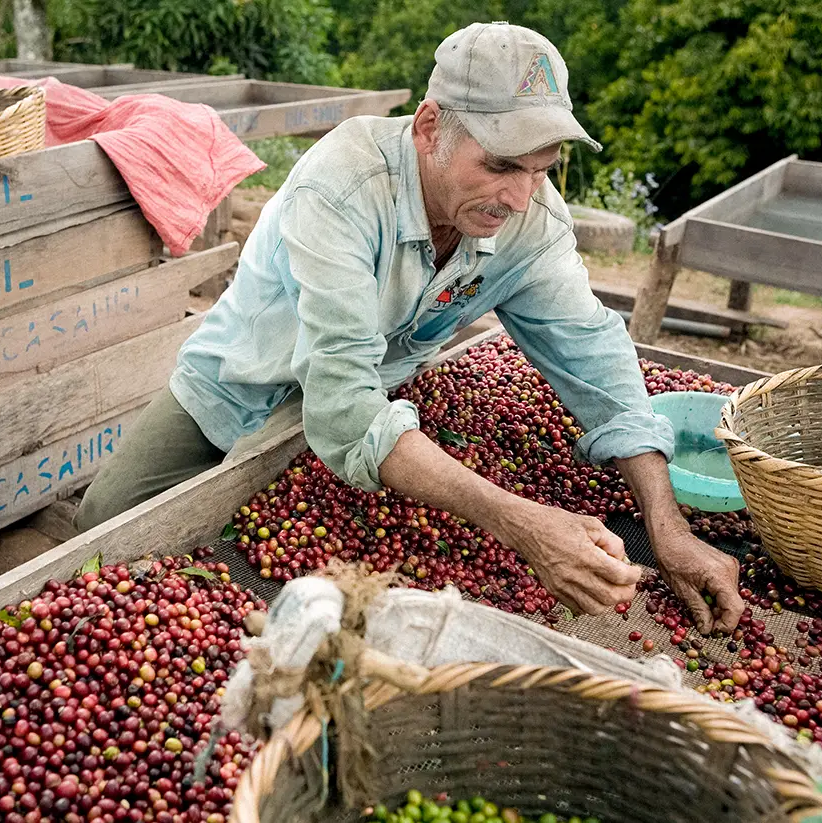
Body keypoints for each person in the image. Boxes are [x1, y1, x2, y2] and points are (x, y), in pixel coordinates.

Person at [77, 21, 745, 634]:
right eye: (500, 164)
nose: (519, 198)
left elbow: (596, 358)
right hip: (239, 389)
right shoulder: (341, 188)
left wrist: (665, 523)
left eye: (540, 171)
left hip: (374, 414)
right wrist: (521, 523)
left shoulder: (528, 221)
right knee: (101, 538)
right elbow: (341, 407)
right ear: (430, 128)